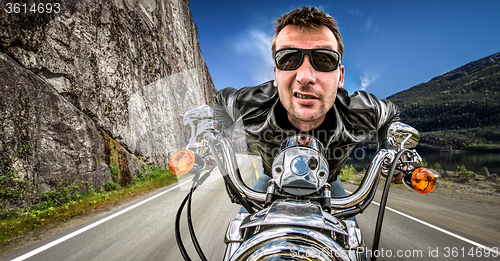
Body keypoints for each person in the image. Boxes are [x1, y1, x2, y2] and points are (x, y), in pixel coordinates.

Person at [214, 6, 403, 197]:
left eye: (324, 59)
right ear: (275, 75)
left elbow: (391, 114)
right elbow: (221, 101)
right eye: (288, 59)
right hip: (271, 177)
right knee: (243, 226)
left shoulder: (362, 112)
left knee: (349, 226)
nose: (305, 77)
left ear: (340, 77)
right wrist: (221, 141)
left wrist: (390, 152)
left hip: (328, 181)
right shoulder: (250, 105)